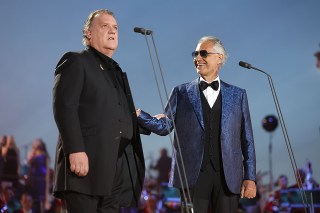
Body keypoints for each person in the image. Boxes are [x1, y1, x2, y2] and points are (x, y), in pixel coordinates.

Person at [136, 36, 256, 212]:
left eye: (204, 53)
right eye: (195, 54)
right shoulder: (180, 92)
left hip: (228, 176)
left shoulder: (238, 95)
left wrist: (250, 177)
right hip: (192, 175)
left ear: (219, 58)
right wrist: (140, 115)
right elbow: (165, 126)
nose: (197, 58)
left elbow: (247, 140)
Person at [52, 9, 146, 213]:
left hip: (114, 169)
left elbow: (114, 113)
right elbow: (64, 107)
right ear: (88, 33)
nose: (112, 31)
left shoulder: (116, 72)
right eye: (105, 26)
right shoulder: (76, 61)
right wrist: (75, 149)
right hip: (85, 168)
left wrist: (140, 120)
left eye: (115, 28)